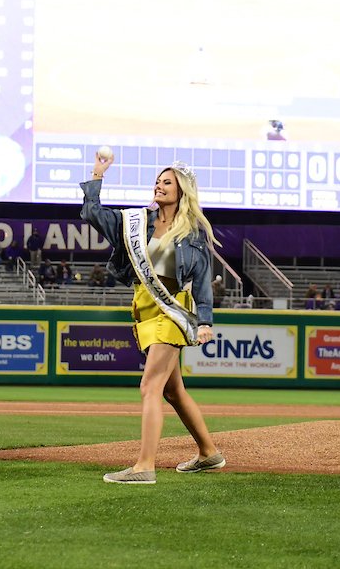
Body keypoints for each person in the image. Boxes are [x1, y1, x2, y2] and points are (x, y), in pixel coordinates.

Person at [80, 152, 224, 485]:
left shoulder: (192, 235)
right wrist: (97, 175)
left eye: (167, 182)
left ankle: (144, 466)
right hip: (145, 309)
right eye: (158, 181)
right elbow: (92, 213)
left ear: (181, 191)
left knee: (150, 386)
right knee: (173, 392)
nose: (159, 186)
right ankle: (208, 452)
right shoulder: (137, 222)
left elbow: (203, 282)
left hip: (172, 312)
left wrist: (204, 321)